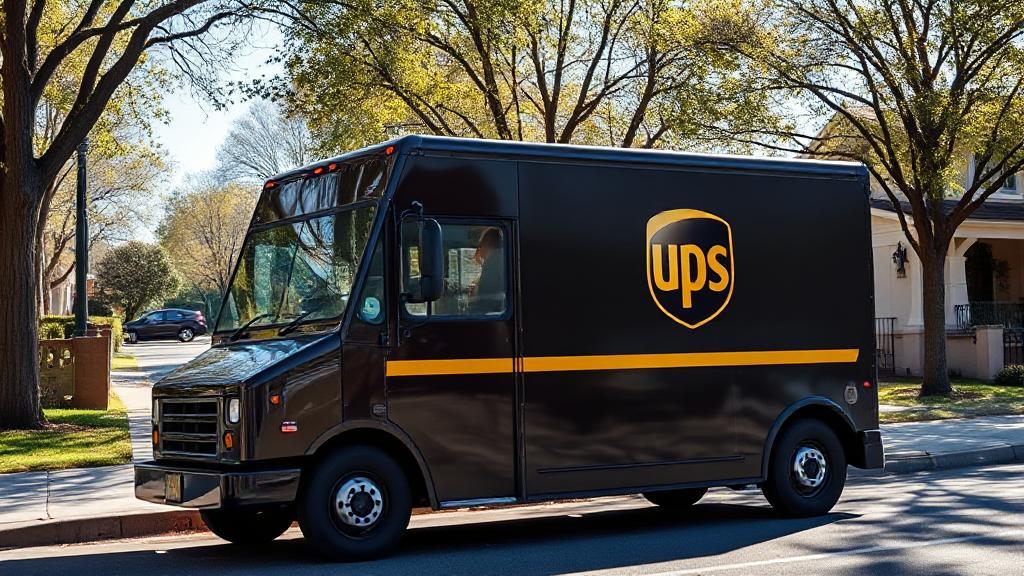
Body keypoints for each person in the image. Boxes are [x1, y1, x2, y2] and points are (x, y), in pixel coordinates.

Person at [470, 227, 504, 313]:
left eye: (481, 245)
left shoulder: (492, 264)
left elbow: (485, 300)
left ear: (487, 244)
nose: (479, 250)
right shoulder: (500, 260)